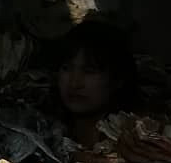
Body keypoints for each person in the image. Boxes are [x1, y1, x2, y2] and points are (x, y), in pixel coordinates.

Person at [53, 20, 139, 148]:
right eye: (66, 68)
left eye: (89, 71)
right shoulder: (47, 133)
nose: (74, 83)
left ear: (117, 79)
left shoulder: (135, 143)